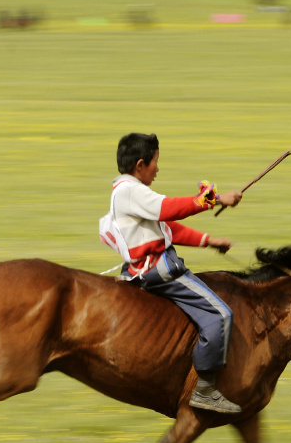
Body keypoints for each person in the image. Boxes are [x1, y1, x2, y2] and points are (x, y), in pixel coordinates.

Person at [101, 132, 244, 413]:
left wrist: (209, 240)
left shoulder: (127, 191)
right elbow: (170, 210)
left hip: (142, 267)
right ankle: (204, 388)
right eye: (155, 162)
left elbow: (166, 227)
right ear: (140, 164)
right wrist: (215, 200)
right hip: (157, 269)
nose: (158, 168)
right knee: (221, 314)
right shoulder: (131, 190)